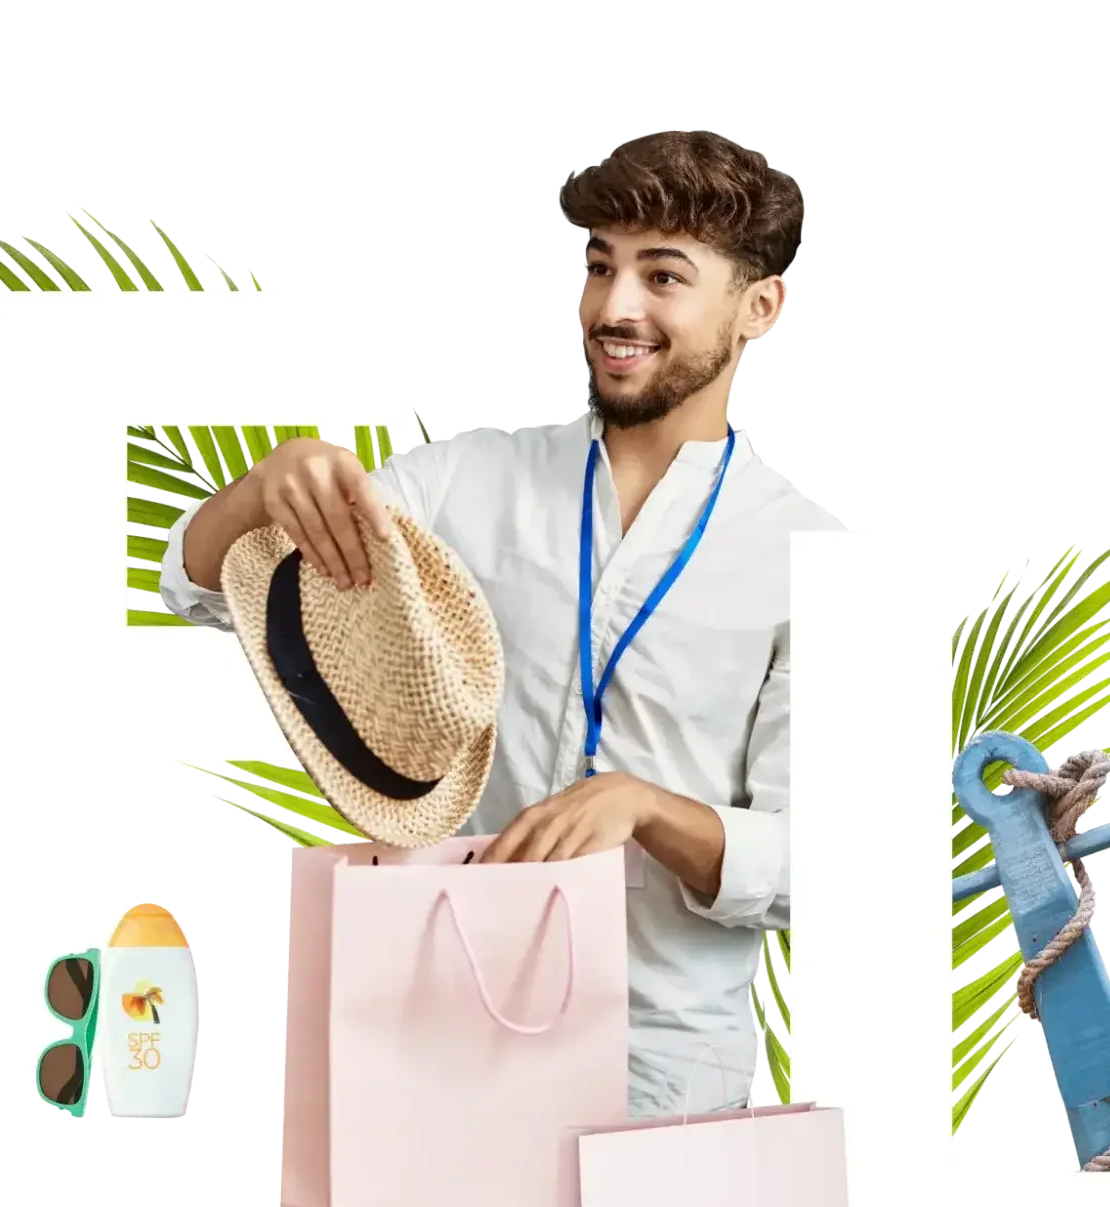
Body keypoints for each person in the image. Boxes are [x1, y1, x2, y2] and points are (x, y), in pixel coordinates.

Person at [160, 128, 845, 1118]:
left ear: (758, 308)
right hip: (445, 1019)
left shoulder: (810, 554)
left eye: (663, 277)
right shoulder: (457, 480)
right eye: (599, 267)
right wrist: (263, 491)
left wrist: (647, 808)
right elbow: (207, 588)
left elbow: (818, 864)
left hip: (658, 1068)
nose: (614, 308)